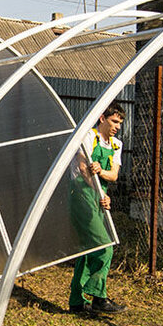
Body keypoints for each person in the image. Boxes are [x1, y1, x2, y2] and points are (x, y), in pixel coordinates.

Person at [68, 101, 127, 315]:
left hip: (99, 196)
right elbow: (83, 168)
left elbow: (113, 175)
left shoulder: (116, 145)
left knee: (88, 250)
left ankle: (76, 301)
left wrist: (101, 175)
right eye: (114, 121)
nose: (117, 126)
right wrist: (98, 191)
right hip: (81, 194)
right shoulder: (87, 136)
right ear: (102, 118)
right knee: (105, 245)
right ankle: (99, 298)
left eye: (120, 123)